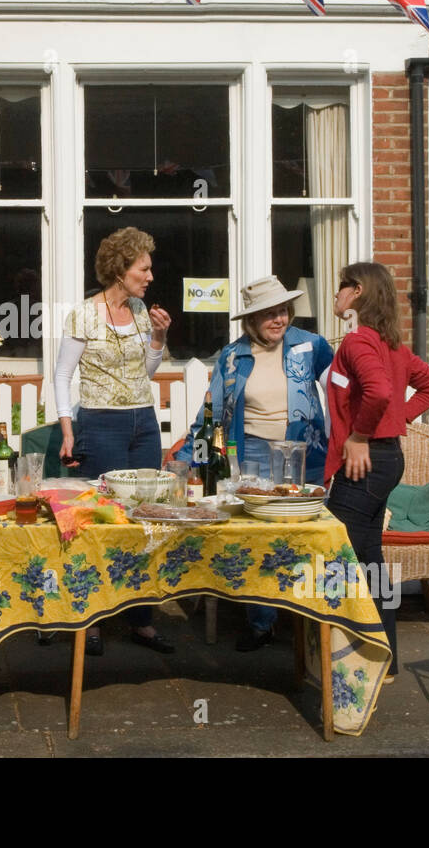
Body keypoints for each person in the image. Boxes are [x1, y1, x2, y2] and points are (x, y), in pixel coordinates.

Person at [176, 274, 333, 651]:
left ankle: (316, 624)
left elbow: (344, 392)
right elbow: (210, 415)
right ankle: (261, 624)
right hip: (254, 456)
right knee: (257, 541)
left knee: (311, 538)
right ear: (251, 321)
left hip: (305, 453)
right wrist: (188, 461)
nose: (279, 319)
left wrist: (356, 440)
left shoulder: (312, 347)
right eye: (268, 315)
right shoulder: (233, 356)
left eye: (283, 311)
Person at [54, 226, 174, 656]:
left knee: (144, 516)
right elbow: (62, 375)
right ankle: (92, 621)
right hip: (100, 424)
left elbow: (147, 371)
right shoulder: (83, 314)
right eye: (144, 267)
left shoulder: (141, 310)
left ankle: (142, 618)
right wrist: (68, 429)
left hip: (143, 422)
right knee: (97, 519)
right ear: (121, 269)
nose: (150, 275)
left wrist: (158, 338)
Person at [325, 261, 429, 678]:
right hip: (387, 458)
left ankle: (350, 660)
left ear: (355, 291)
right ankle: (385, 659)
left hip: (367, 459)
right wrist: (398, 419)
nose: (335, 293)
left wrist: (359, 436)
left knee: (338, 556)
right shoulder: (389, 344)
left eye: (341, 286)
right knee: (370, 558)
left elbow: (379, 391)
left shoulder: (359, 342)